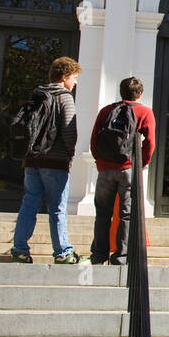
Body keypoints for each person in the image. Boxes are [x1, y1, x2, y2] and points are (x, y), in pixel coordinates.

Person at [11, 56, 83, 264]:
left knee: (29, 203)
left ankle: (20, 249)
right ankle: (63, 252)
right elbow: (70, 133)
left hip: (32, 160)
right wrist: (69, 154)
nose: (75, 82)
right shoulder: (65, 98)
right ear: (66, 76)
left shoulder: (37, 95)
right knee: (58, 207)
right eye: (75, 77)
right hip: (55, 161)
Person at [90, 76, 157, 266]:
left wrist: (99, 160)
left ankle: (98, 255)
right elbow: (150, 142)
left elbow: (95, 137)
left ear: (120, 91)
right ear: (140, 93)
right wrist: (141, 163)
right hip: (127, 168)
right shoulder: (144, 112)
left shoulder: (106, 111)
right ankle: (121, 256)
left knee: (102, 213)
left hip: (105, 168)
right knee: (126, 213)